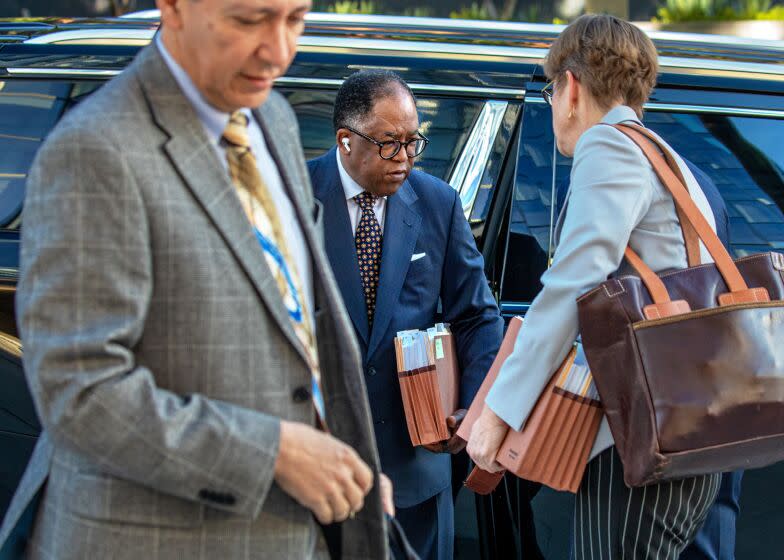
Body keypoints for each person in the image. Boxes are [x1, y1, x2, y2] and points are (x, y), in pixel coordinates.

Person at [0, 0, 393, 558]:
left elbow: (297, 321)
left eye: (295, 19)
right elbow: (82, 391)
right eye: (248, 19)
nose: (279, 50)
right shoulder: (93, 148)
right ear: (174, 8)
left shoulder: (273, 118)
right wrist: (275, 454)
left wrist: (343, 455)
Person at [467, 14, 722, 559]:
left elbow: (572, 284)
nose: (553, 104)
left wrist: (498, 413)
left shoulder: (608, 146)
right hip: (685, 427)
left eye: (550, 88)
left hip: (640, 434)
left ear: (572, 86)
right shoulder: (663, 154)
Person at [307, 70, 504, 560]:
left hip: (418, 466)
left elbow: (477, 315)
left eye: (413, 141)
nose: (406, 158)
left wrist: (473, 407)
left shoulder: (438, 203)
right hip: (321, 465)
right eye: (390, 143)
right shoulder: (293, 193)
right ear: (345, 140)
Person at [557, 163, 744, 560]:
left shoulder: (607, 178)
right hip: (713, 415)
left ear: (573, 96)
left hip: (637, 438)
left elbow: (561, 309)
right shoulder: (697, 180)